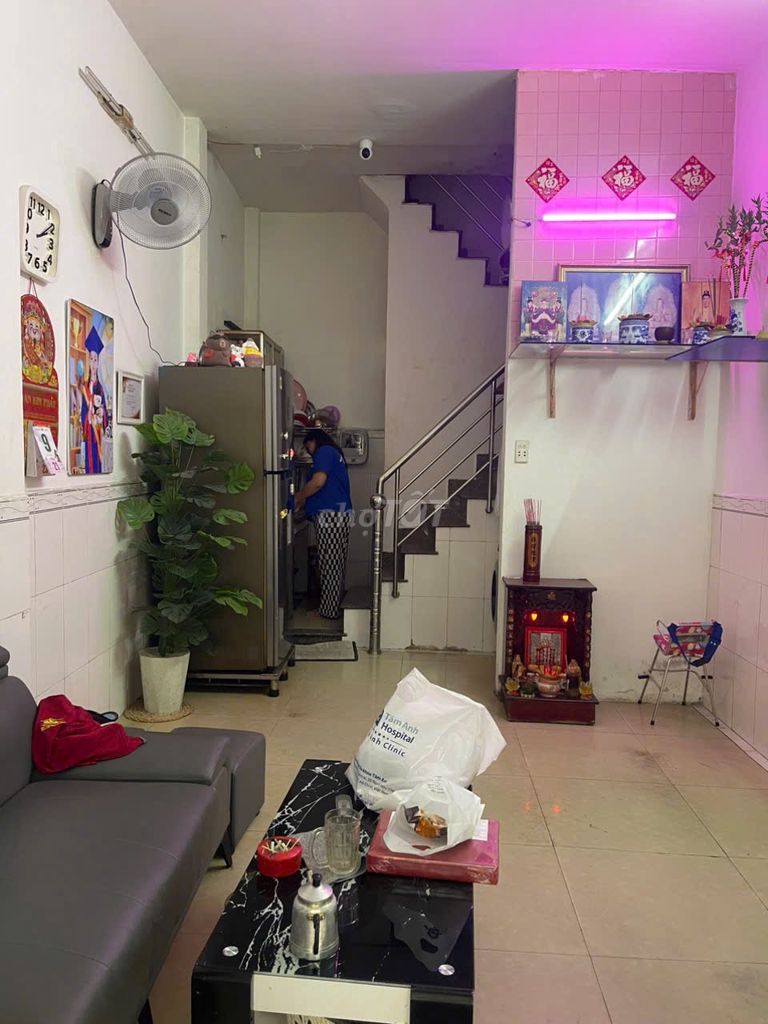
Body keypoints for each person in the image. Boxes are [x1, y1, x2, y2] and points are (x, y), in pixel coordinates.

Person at [294, 428, 353, 620]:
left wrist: (298, 497)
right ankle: (332, 607)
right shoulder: (333, 453)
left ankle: (328, 611)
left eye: (307, 446)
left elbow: (318, 482)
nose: (308, 451)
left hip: (330, 516)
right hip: (337, 514)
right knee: (335, 563)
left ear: (314, 441)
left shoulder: (324, 451)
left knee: (330, 564)